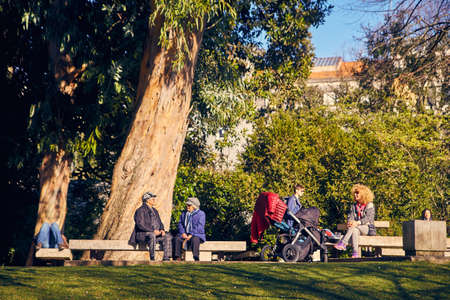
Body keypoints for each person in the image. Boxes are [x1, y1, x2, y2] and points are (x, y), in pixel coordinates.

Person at [334, 184, 375, 258]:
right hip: (356, 228)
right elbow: (350, 216)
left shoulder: (369, 205)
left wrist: (357, 222)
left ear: (363, 194)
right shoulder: (353, 206)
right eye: (355, 193)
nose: (355, 195)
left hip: (367, 229)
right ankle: (355, 253)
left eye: (357, 193)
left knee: (354, 227)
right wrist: (350, 222)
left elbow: (368, 218)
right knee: (355, 230)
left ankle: (343, 243)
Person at [128, 192, 172, 261]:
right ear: (147, 200)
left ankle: (166, 258)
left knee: (167, 236)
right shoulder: (140, 210)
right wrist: (153, 231)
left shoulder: (155, 211)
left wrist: (162, 230)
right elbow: (140, 224)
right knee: (152, 235)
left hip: (156, 234)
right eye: (152, 199)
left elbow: (160, 223)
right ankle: (152, 258)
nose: (154, 200)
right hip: (143, 235)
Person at [173, 197, 206, 261]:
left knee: (195, 239)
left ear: (194, 206)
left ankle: (196, 257)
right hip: (185, 234)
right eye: (187, 205)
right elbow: (180, 224)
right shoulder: (184, 213)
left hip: (196, 234)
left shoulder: (201, 214)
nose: (187, 206)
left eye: (189, 205)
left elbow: (200, 226)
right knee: (177, 238)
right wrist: (183, 233)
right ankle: (178, 257)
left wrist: (191, 234)